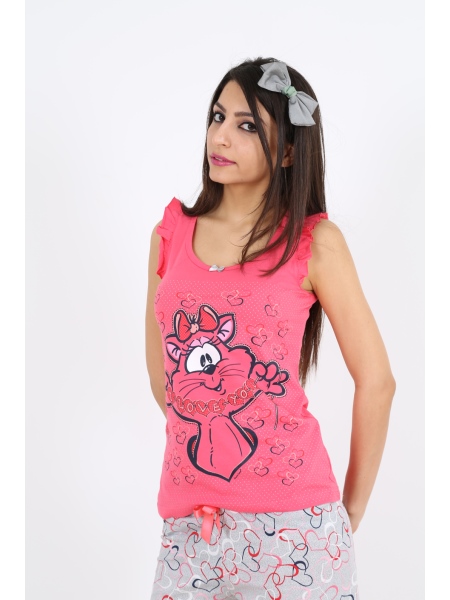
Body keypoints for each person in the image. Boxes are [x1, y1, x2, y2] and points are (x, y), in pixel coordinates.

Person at [145, 57, 395, 600]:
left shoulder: (315, 243)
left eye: (246, 125)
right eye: (218, 117)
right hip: (190, 528)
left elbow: (377, 381)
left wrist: (349, 511)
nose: (221, 136)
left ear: (287, 152)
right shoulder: (171, 234)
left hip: (297, 529)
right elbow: (166, 380)